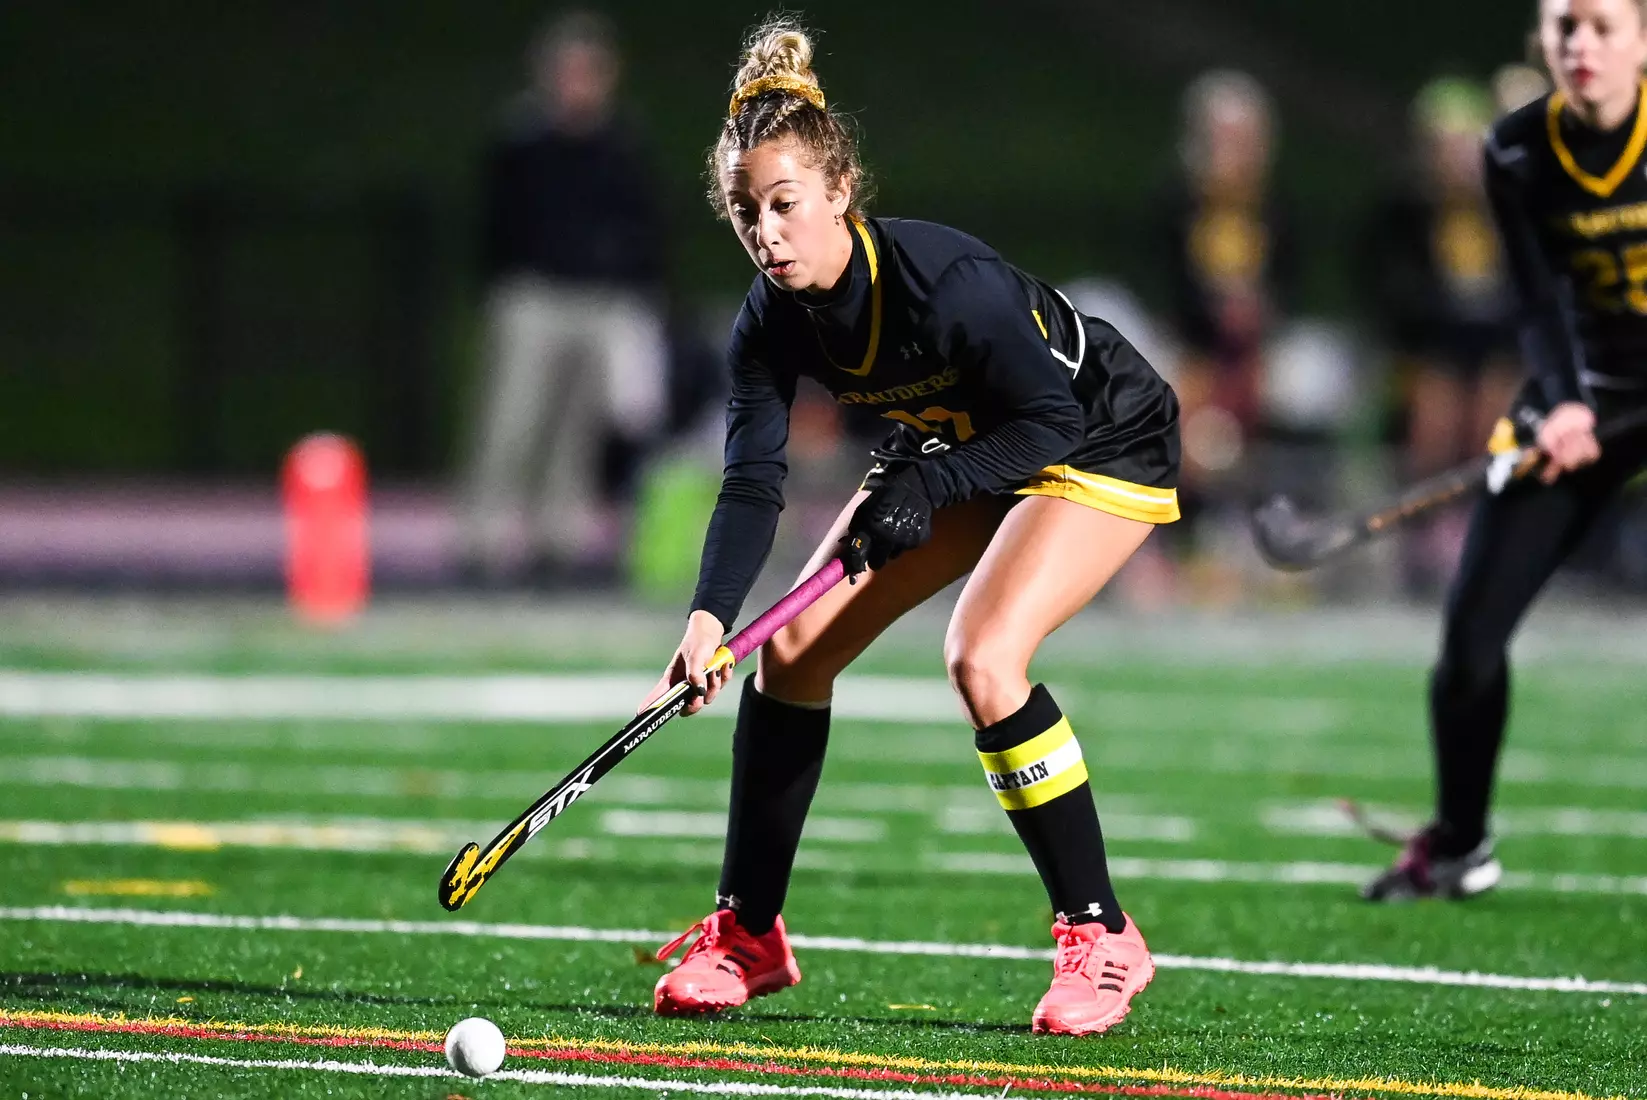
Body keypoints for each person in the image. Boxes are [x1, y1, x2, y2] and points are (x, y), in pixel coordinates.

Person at [638, 18, 1181, 1035]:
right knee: (789, 652)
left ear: (840, 192)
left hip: (1098, 431)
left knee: (983, 654)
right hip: (965, 441)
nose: (768, 233)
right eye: (747, 212)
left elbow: (1052, 420)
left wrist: (932, 486)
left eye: (786, 204)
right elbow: (753, 479)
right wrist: (709, 617)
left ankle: (1102, 932)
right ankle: (749, 933)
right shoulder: (767, 319)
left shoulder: (946, 286)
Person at [1365, 0, 1647, 901]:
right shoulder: (1517, 151)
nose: (1581, 46)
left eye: (1603, 26)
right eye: (1565, 27)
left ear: (1641, 40)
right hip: (1589, 405)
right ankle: (1457, 845)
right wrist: (1561, 403)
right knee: (1469, 645)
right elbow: (1536, 301)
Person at [464, 10, 668, 584]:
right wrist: (500, 285)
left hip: (600, 300)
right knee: (512, 419)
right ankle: (482, 539)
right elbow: (495, 222)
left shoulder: (622, 142)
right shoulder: (523, 140)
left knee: (577, 426)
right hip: (534, 295)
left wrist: (638, 290)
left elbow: (645, 223)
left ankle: (559, 539)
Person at [1360, 79, 1519, 594]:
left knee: (1499, 395)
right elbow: (1395, 303)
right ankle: (1429, 527)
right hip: (1427, 356)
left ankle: (1485, 521)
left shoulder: (1504, 211)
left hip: (1488, 353)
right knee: (1438, 398)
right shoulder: (1404, 215)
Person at [1158, 71, 1297, 591]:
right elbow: (1166, 287)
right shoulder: (1176, 204)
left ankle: (1261, 531)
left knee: (1265, 396)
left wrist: (1261, 312)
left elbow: (1289, 282)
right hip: (1194, 345)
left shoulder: (1274, 207)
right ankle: (1184, 535)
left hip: (1256, 348)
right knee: (1191, 411)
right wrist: (1215, 312)